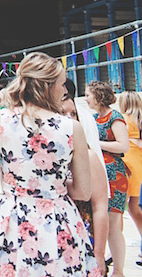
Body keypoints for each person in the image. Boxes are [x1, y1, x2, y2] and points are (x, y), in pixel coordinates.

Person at [0, 53, 97, 276]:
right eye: (62, 85)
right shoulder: (72, 128)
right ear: (47, 86)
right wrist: (52, 187)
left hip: (13, 220)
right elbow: (83, 191)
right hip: (59, 219)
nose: (64, 91)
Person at [62, 93, 111, 272]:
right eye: (63, 113)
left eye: (73, 114)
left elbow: (100, 207)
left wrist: (99, 253)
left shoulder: (88, 157)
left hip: (84, 237)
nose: (69, 119)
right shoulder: (48, 156)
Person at [86, 80, 129, 277]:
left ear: (98, 96)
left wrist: (98, 144)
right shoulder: (93, 118)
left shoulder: (115, 117)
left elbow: (123, 146)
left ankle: (119, 271)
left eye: (88, 95)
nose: (86, 99)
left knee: (113, 224)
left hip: (114, 174)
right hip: (99, 172)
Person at [118, 91, 142, 266]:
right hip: (140, 163)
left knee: (127, 208)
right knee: (136, 207)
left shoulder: (124, 119)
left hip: (129, 165)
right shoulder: (139, 118)